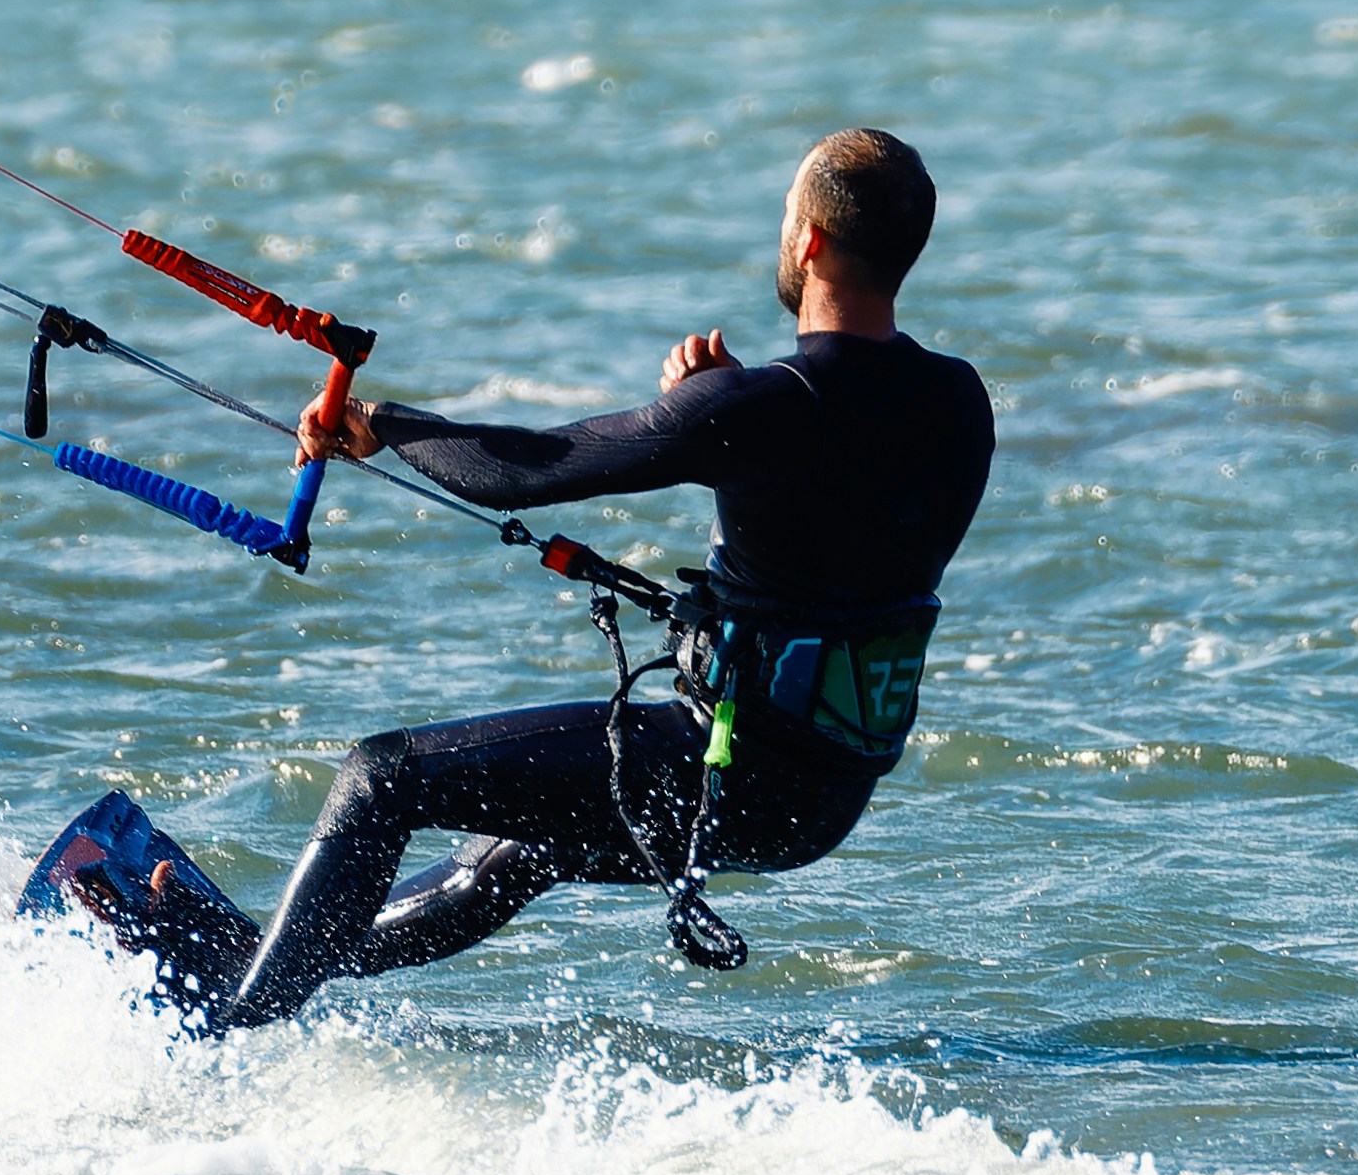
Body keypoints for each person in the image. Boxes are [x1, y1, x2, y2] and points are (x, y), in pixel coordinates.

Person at [64, 129, 993, 1029]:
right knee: (518, 849)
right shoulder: (958, 401)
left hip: (720, 770)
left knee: (378, 777)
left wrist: (385, 423)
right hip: (820, 801)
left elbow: (539, 464)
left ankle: (229, 1011)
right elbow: (836, 505)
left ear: (808, 239)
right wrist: (719, 413)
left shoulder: (761, 408)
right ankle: (244, 954)